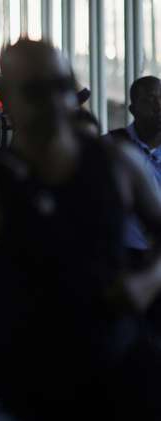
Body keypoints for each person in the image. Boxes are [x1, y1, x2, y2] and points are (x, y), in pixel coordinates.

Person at [0, 40, 161, 421]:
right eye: (36, 91)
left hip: (120, 393)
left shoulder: (116, 165)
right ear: (6, 96)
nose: (53, 102)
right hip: (24, 413)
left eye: (61, 87)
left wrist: (144, 283)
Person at [108, 76, 161, 336]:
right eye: (150, 100)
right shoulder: (112, 146)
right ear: (132, 108)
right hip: (125, 259)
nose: (159, 106)